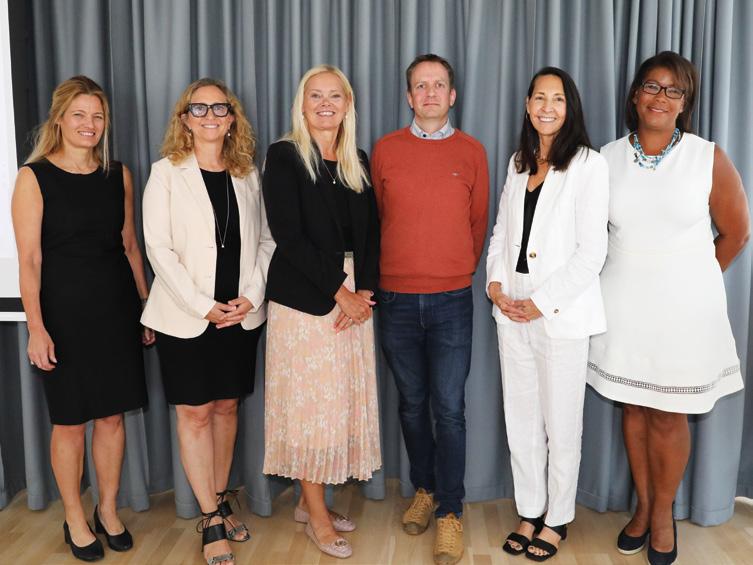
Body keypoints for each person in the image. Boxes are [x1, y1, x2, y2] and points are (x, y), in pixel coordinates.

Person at [587, 51, 749, 565]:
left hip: (684, 312)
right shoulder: (605, 159)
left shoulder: (707, 157)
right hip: (622, 306)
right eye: (652, 87)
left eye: (673, 90)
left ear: (685, 103)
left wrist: (691, 278)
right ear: (635, 95)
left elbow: (737, 232)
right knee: (634, 407)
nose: (661, 97)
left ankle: (663, 516)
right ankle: (641, 507)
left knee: (668, 413)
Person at [11, 75, 152, 562]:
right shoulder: (33, 177)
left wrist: (145, 307)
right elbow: (29, 260)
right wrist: (36, 328)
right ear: (59, 119)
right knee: (70, 422)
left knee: (112, 416)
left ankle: (107, 509)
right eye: (79, 115)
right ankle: (74, 516)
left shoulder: (118, 174)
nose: (89, 124)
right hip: (63, 316)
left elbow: (130, 247)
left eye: (97, 116)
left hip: (116, 311)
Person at [141, 78, 274, 565]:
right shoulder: (165, 174)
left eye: (220, 108)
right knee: (195, 413)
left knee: (226, 408)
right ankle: (210, 518)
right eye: (199, 109)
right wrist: (202, 304)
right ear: (185, 119)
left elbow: (267, 242)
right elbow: (158, 249)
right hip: (186, 317)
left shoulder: (247, 173)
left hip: (239, 314)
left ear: (232, 118)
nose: (210, 116)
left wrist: (250, 297)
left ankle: (219, 498)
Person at [370, 53, 489, 565]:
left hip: (451, 300)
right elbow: (379, 218)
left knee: (450, 409)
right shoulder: (385, 150)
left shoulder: (473, 152)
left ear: (452, 95)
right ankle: (423, 488)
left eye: (439, 85)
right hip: (396, 299)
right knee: (412, 404)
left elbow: (477, 223)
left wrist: (452, 268)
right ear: (409, 96)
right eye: (421, 85)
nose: (430, 93)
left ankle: (450, 511)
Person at [486, 67, 609, 562]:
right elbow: (500, 232)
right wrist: (495, 284)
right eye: (539, 97)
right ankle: (529, 510)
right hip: (510, 310)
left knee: (561, 424)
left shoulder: (589, 164)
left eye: (557, 99)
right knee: (521, 420)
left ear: (569, 107)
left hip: (559, 314)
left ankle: (557, 519)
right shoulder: (518, 163)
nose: (547, 107)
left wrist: (540, 302)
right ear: (527, 105)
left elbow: (592, 252)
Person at [262, 64, 381, 560]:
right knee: (311, 410)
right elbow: (289, 236)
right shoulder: (285, 155)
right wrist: (341, 292)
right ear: (302, 104)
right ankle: (316, 516)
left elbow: (372, 233)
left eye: (335, 95)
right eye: (316, 95)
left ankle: (309, 503)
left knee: (337, 407)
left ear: (348, 104)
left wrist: (365, 291)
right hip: (308, 300)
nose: (326, 104)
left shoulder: (356, 159)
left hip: (353, 299)